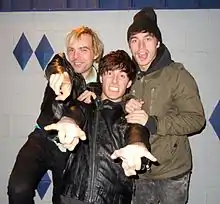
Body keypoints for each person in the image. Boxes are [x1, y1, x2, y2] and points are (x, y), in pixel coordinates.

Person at [44, 50, 157, 204]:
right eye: (110, 73)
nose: (115, 81)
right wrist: (68, 122)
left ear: (129, 83)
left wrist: (137, 145)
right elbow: (74, 112)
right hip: (73, 197)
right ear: (101, 77)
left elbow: (137, 132)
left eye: (122, 75)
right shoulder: (85, 104)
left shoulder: (131, 115)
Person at [7, 26, 104, 204]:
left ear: (95, 53)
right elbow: (54, 68)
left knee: (61, 200)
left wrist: (98, 95)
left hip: (72, 148)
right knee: (18, 189)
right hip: (42, 138)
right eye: (71, 50)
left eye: (83, 50)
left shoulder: (100, 83)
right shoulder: (61, 64)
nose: (76, 57)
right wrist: (63, 77)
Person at [124, 7, 206, 204]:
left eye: (148, 39)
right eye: (134, 40)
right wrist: (125, 102)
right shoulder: (128, 73)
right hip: (140, 173)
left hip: (172, 174)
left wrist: (154, 123)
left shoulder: (178, 75)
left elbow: (197, 120)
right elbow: (114, 95)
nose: (141, 47)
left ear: (158, 42)